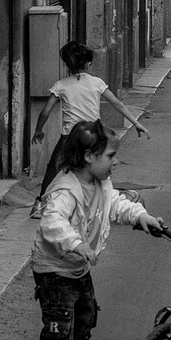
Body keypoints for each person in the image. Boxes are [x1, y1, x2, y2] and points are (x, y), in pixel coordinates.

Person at [31, 119, 165, 340]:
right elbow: (52, 222)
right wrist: (77, 244)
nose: (115, 163)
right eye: (110, 156)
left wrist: (140, 216)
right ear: (88, 156)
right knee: (60, 325)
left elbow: (115, 204)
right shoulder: (66, 189)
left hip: (77, 267)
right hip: (54, 269)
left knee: (86, 319)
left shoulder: (101, 183)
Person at [31, 41, 150, 217]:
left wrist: (38, 130)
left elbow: (45, 111)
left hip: (70, 136)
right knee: (100, 167)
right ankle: (105, 205)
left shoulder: (61, 85)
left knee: (54, 167)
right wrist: (136, 123)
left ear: (67, 65)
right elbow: (117, 103)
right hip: (95, 135)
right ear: (88, 64)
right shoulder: (97, 83)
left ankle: (40, 204)